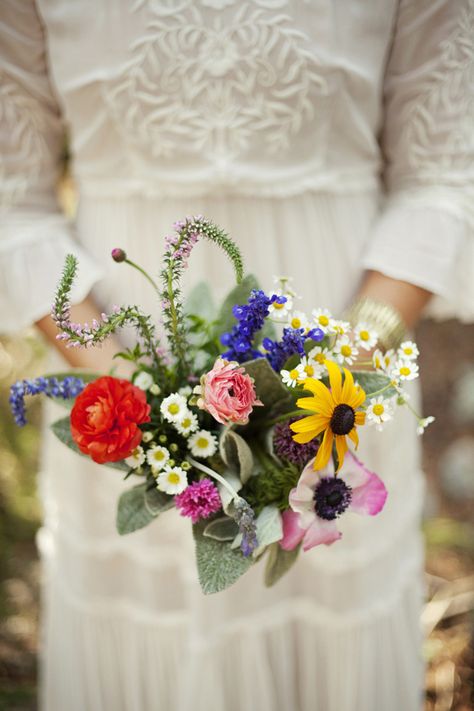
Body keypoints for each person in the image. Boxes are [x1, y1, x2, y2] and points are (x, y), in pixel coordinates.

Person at [1, 1, 472, 709]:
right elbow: (14, 198)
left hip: (336, 393)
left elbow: (442, 175)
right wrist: (133, 400)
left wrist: (336, 368)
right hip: (118, 368)